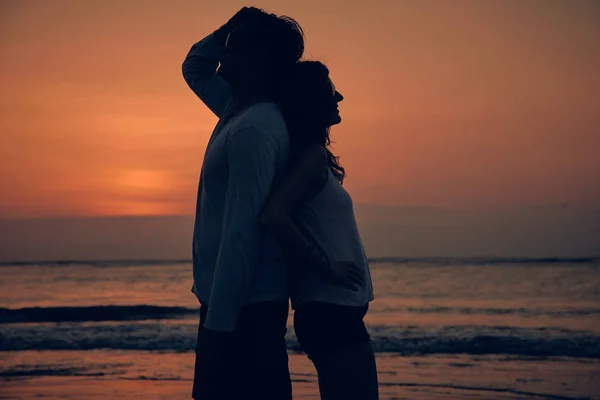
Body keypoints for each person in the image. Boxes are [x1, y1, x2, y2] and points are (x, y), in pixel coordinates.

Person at [181, 7, 304, 400]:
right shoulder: (237, 109)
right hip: (232, 304)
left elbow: (243, 232)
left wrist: (218, 328)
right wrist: (229, 26)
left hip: (244, 311)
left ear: (258, 59)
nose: (223, 54)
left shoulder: (254, 128)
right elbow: (194, 66)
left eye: (233, 47)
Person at [260, 61, 379, 400]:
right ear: (312, 101)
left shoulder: (314, 157)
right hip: (330, 313)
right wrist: (327, 266)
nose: (339, 95)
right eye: (330, 91)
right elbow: (273, 216)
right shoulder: (310, 157)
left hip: (332, 312)